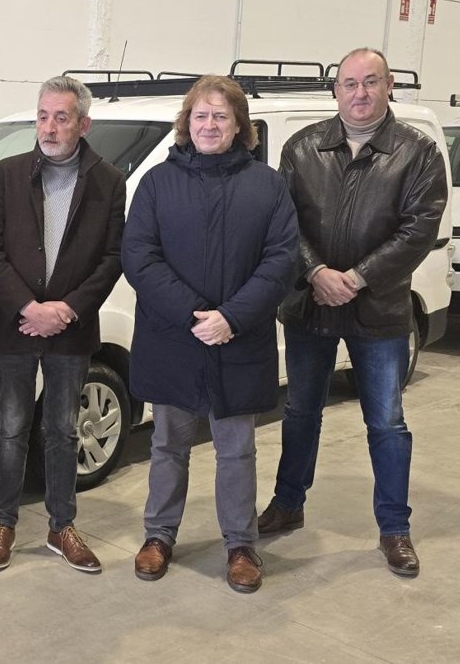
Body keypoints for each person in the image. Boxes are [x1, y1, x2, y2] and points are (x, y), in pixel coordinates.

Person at [258, 48, 447, 578]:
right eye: (349, 83)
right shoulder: (302, 147)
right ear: (335, 90)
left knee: (386, 421)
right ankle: (288, 503)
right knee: (300, 411)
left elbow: (419, 229)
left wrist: (357, 278)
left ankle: (394, 528)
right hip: (310, 302)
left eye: (370, 82)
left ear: (389, 86)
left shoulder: (418, 153)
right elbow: (283, 222)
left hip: (379, 308)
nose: (359, 93)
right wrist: (316, 271)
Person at [122, 75, 298, 593]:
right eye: (201, 115)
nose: (210, 124)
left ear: (240, 124)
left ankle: (241, 545)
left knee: (237, 449)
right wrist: (194, 315)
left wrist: (232, 318)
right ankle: (158, 536)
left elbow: (281, 260)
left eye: (221, 115)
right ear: (187, 122)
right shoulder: (157, 183)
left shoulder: (268, 186)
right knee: (167, 445)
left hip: (238, 340)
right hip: (174, 339)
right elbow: (139, 256)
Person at [0, 76, 126, 573]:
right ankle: (3, 523)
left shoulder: (108, 182)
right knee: (10, 428)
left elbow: (112, 258)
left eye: (61, 118)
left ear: (84, 124)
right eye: (43, 116)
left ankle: (62, 526)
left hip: (71, 328)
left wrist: (67, 309)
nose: (49, 127)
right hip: (13, 326)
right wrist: (27, 307)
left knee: (62, 430)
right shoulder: (5, 174)